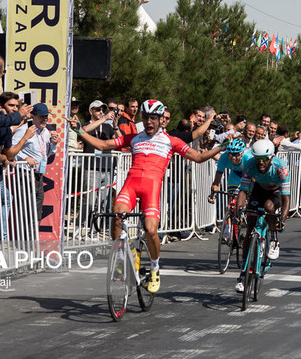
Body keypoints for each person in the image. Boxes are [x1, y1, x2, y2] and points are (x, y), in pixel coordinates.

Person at [68, 99, 225, 294]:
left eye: (153, 118)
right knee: (117, 214)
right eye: (146, 117)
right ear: (141, 118)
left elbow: (199, 158)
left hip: (151, 189)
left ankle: (155, 268)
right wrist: (80, 131)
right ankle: (121, 257)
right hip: (131, 186)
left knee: (151, 231)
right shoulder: (134, 138)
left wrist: (221, 146)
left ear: (161, 120)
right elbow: (102, 144)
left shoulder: (171, 141)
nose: (149, 122)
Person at [234, 139, 290, 293]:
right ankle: (243, 275)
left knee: (268, 207)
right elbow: (243, 191)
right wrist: (238, 211)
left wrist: (282, 221)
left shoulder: (281, 168)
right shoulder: (250, 166)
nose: (260, 163)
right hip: (259, 190)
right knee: (251, 229)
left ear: (271, 158)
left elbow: (286, 199)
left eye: (264, 159)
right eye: (257, 159)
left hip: (275, 192)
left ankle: (273, 237)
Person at [12, 103, 60, 220]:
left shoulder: (45, 132)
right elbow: (12, 148)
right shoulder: (24, 130)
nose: (45, 119)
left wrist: (53, 144)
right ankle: (23, 233)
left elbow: (47, 153)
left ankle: (34, 233)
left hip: (38, 173)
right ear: (33, 116)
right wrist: (25, 158)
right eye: (41, 116)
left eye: (46, 116)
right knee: (25, 205)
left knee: (38, 204)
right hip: (25, 172)